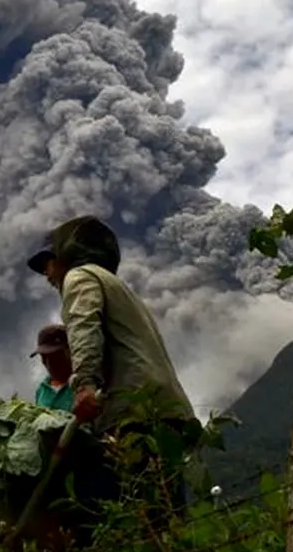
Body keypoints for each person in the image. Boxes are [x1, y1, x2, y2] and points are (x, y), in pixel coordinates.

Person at [26, 215, 197, 533]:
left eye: (48, 262)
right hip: (166, 409)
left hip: (134, 412)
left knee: (103, 515)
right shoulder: (118, 287)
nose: (46, 274)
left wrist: (85, 385)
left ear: (67, 255)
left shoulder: (79, 277)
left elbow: (83, 325)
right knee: (167, 517)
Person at [31, 324, 75, 412]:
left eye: (54, 357)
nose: (48, 363)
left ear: (69, 351)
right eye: (43, 357)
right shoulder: (41, 390)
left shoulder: (84, 385)